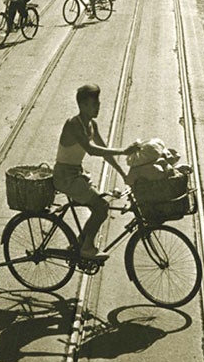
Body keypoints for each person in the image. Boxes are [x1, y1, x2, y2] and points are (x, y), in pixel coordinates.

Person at [53, 84, 139, 260]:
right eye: (94, 104)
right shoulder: (73, 124)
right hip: (65, 177)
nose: (98, 106)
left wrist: (123, 174)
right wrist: (123, 151)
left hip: (77, 174)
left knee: (99, 205)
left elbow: (104, 152)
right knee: (101, 207)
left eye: (98, 103)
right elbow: (91, 150)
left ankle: (80, 243)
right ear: (82, 105)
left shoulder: (92, 125)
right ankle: (86, 248)